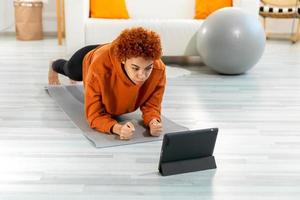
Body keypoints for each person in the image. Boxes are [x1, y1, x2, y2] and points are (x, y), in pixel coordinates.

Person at [48, 27, 166, 140]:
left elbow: (152, 105)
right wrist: (117, 128)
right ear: (123, 59)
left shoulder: (158, 69)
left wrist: (153, 121)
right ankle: (54, 64)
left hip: (109, 52)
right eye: (135, 68)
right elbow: (94, 115)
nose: (142, 76)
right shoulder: (99, 69)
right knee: (70, 72)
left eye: (148, 68)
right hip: (88, 57)